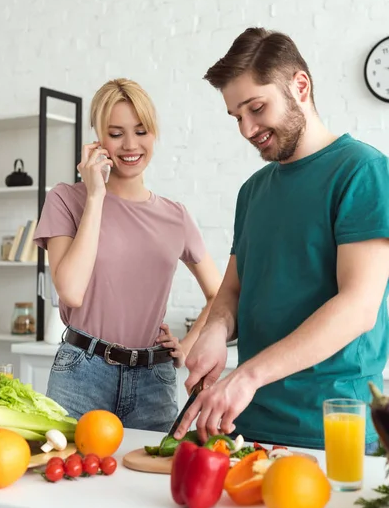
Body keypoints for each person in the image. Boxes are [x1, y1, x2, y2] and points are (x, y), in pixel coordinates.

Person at [174, 27, 389, 453]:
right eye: (237, 117)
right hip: (246, 428)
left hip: (332, 431)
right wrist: (216, 331)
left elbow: (358, 308)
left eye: (256, 107)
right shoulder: (252, 191)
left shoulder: (362, 172)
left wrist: (246, 376)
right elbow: (232, 290)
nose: (247, 129)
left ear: (300, 85)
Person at [33, 78, 221, 431]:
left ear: (154, 134)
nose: (131, 145)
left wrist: (188, 344)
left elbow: (219, 293)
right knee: (69, 480)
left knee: (148, 483)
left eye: (141, 131)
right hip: (80, 374)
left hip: (154, 379)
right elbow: (71, 291)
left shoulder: (175, 215)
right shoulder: (66, 199)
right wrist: (95, 196)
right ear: (98, 140)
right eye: (116, 133)